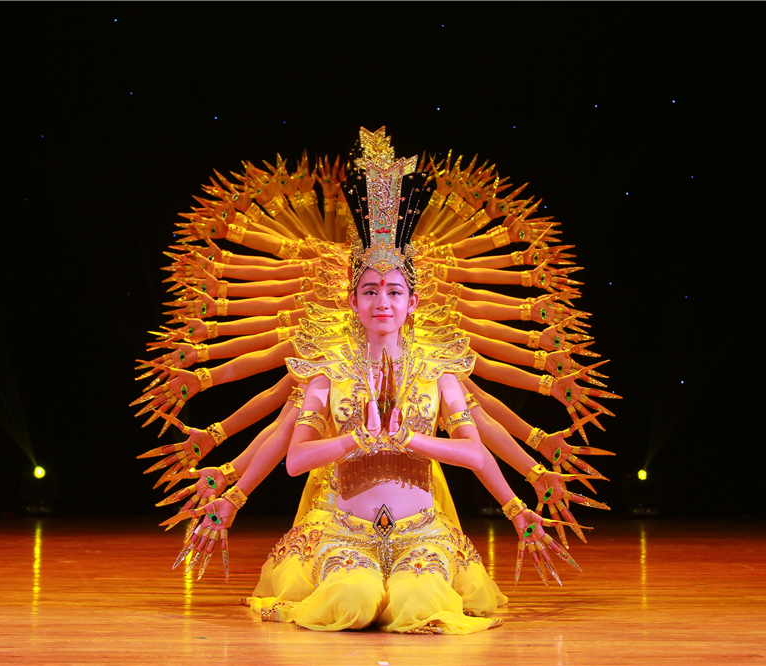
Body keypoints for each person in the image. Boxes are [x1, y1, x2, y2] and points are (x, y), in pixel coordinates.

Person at [133, 127, 618, 633]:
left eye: (393, 291)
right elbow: (289, 446)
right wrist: (253, 485)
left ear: (413, 302)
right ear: (352, 301)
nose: (382, 301)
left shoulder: (439, 367)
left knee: (419, 603)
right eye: (369, 291)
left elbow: (477, 449)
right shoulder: (327, 368)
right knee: (351, 602)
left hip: (420, 528)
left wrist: (511, 503)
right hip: (345, 527)